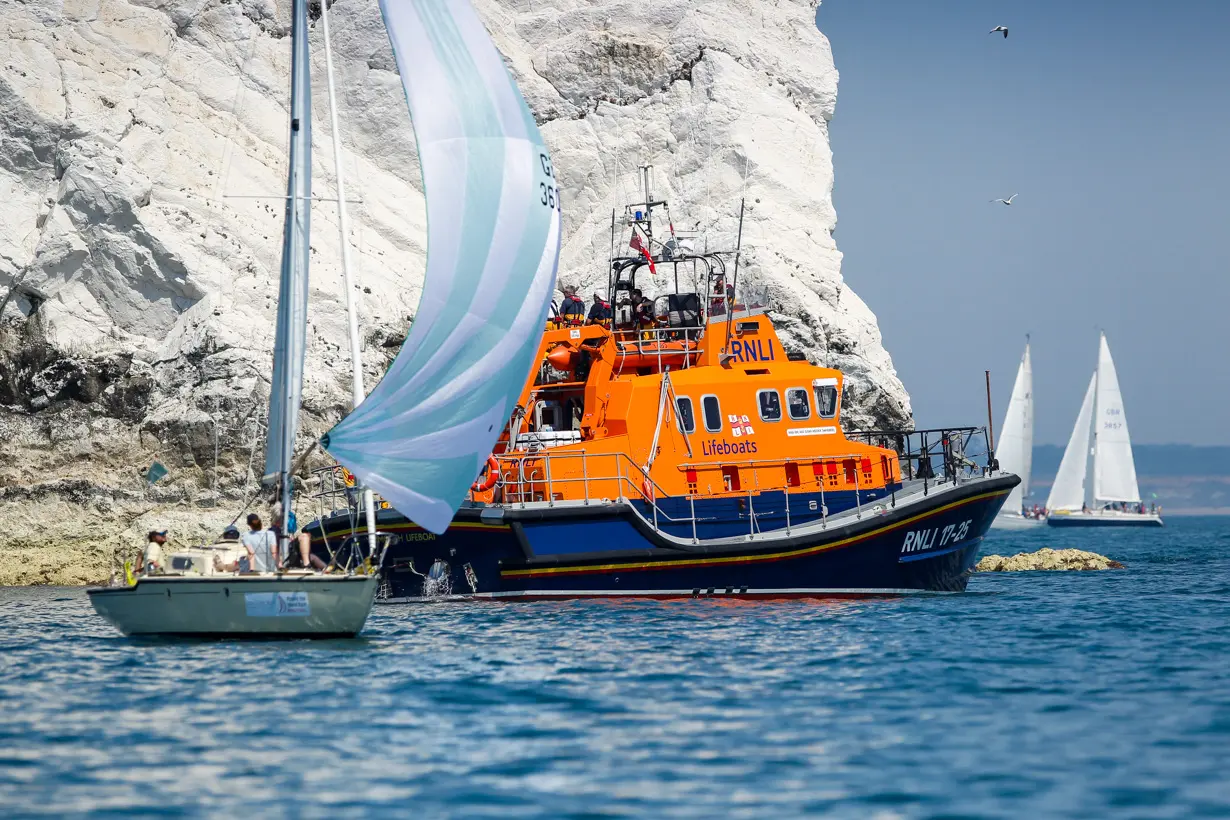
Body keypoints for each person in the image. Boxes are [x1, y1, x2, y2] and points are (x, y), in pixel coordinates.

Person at [272, 502, 326, 571]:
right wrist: (280, 566)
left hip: (292, 555)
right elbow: (274, 550)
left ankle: (314, 566)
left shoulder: (289, 533)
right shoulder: (272, 532)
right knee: (305, 541)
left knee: (311, 554)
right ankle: (308, 565)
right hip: (282, 560)